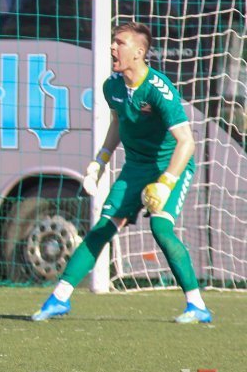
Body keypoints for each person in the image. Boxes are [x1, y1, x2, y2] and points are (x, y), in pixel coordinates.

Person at [31, 21, 212, 324]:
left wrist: (166, 183)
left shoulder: (159, 89)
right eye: (113, 41)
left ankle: (197, 305)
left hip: (169, 166)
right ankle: (58, 299)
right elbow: (118, 123)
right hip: (135, 168)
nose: (112, 47)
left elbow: (187, 142)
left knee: (161, 228)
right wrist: (100, 162)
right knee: (102, 227)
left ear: (139, 52)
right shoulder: (112, 86)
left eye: (120, 42)